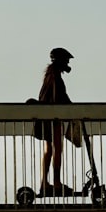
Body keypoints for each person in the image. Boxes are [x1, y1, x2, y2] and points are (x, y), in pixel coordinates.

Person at [36, 47, 74, 195]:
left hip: (45, 117)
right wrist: (73, 110)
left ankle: (44, 182)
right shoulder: (56, 77)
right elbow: (61, 97)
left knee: (49, 149)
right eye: (67, 60)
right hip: (53, 117)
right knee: (57, 147)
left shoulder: (49, 75)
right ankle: (56, 182)